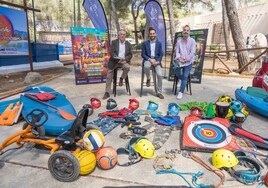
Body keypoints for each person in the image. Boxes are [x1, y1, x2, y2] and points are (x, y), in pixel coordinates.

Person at [102, 29, 133, 100]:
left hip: (124, 62)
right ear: (118, 35)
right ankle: (107, 92)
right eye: (121, 34)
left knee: (127, 67)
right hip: (114, 61)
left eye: (124, 34)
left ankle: (122, 78)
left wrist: (125, 60)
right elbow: (112, 53)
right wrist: (118, 60)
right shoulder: (114, 42)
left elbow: (130, 55)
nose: (122, 35)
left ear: (125, 36)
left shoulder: (128, 44)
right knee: (109, 75)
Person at [174, 25, 196, 100]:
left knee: (185, 76)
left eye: (187, 30)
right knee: (175, 68)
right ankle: (180, 79)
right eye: (184, 30)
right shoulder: (179, 41)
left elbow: (192, 53)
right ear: (182, 32)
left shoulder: (192, 41)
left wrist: (185, 60)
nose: (186, 32)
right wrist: (179, 58)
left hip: (188, 62)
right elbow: (177, 52)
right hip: (180, 61)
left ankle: (180, 92)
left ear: (189, 32)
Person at [141, 27, 164, 99]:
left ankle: (159, 92)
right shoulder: (145, 43)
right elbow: (143, 54)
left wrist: (158, 61)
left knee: (160, 75)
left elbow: (161, 54)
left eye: (153, 33)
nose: (152, 35)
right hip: (148, 59)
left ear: (156, 34)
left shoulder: (159, 43)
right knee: (146, 66)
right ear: (149, 34)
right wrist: (150, 59)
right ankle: (148, 78)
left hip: (156, 61)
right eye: (151, 34)